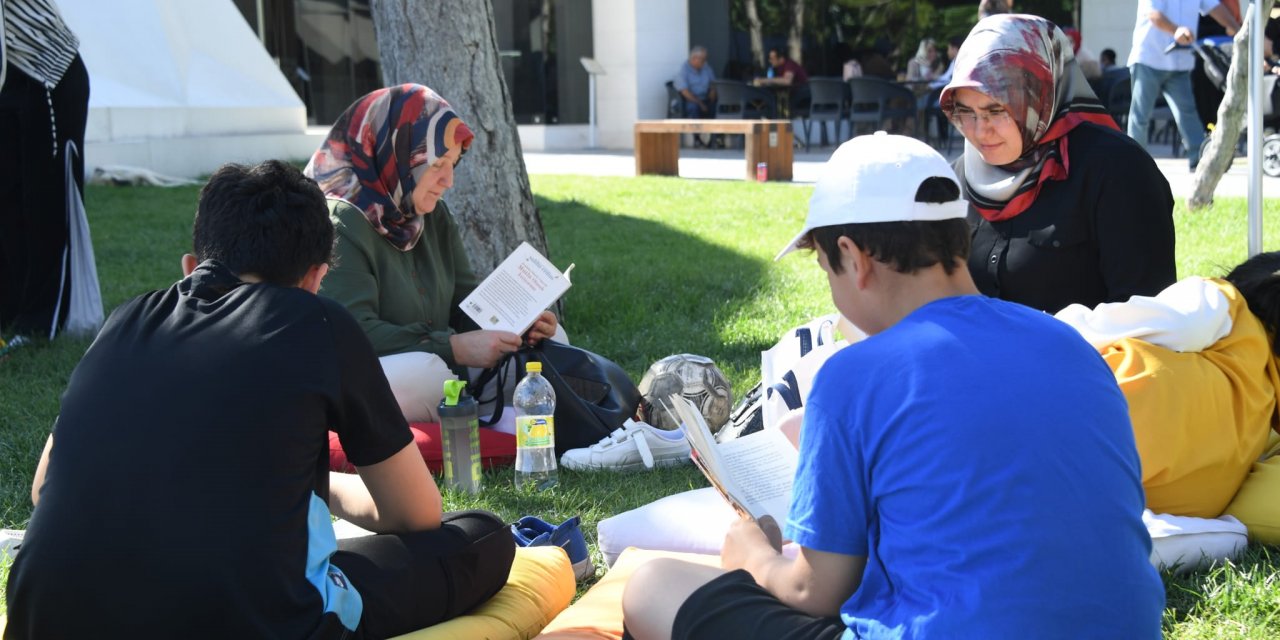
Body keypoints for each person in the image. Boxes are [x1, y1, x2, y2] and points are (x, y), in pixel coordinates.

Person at [620, 133, 1164, 640]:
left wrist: (754, 558)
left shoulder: (853, 375)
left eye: (826, 268)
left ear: (854, 260)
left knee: (652, 586)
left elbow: (814, 593)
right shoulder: (1072, 344)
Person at [4, 160, 515, 639]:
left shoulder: (124, 321)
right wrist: (320, 489)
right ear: (317, 278)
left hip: (47, 614)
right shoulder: (316, 321)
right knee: (482, 536)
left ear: (191, 266)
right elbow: (416, 514)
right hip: (252, 619)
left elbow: (44, 486)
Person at [305, 84, 561, 424]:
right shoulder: (339, 220)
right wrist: (452, 347)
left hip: (439, 364)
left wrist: (519, 322)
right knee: (423, 374)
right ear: (395, 152)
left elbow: (465, 304)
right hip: (360, 375)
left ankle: (489, 418)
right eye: (438, 163)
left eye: (453, 163)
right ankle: (495, 419)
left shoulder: (427, 213)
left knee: (555, 340)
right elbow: (351, 334)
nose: (448, 180)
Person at [941, 14, 1176, 313]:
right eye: (966, 112)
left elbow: (1145, 314)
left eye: (996, 109)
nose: (979, 129)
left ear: (1039, 94)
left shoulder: (1116, 169)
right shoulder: (955, 180)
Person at [1054, 252, 1280, 519]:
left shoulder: (1225, 302)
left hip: (1057, 427)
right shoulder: (1257, 414)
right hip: (1080, 490)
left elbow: (1085, 327)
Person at [0, 0, 100, 341]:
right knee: (9, 201)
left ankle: (44, 318)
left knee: (44, 201)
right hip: (11, 78)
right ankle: (13, 310)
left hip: (50, 75)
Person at [1126, 0, 1240, 170]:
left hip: (1179, 62)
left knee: (1187, 112)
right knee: (1140, 115)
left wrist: (1237, 29)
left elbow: (1215, 7)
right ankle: (1135, 164)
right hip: (1149, 58)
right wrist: (1176, 30)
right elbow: (1153, 14)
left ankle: (1199, 160)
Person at [673, 45, 720, 148]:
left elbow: (713, 83)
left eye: (704, 59)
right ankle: (697, 139)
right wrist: (700, 103)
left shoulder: (706, 67)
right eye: (702, 59)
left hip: (705, 97)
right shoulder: (683, 71)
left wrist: (713, 91)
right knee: (693, 108)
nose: (704, 61)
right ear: (694, 58)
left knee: (716, 107)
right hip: (690, 99)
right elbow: (685, 92)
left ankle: (714, 139)